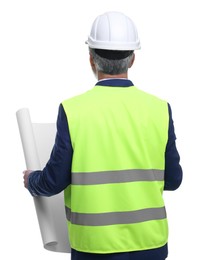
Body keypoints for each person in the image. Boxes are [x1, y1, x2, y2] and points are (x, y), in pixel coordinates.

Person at [23, 11, 183, 260]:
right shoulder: (160, 109)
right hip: (151, 245)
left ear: (91, 59)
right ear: (132, 60)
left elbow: (53, 181)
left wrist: (32, 180)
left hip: (94, 249)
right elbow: (173, 180)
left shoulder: (73, 110)